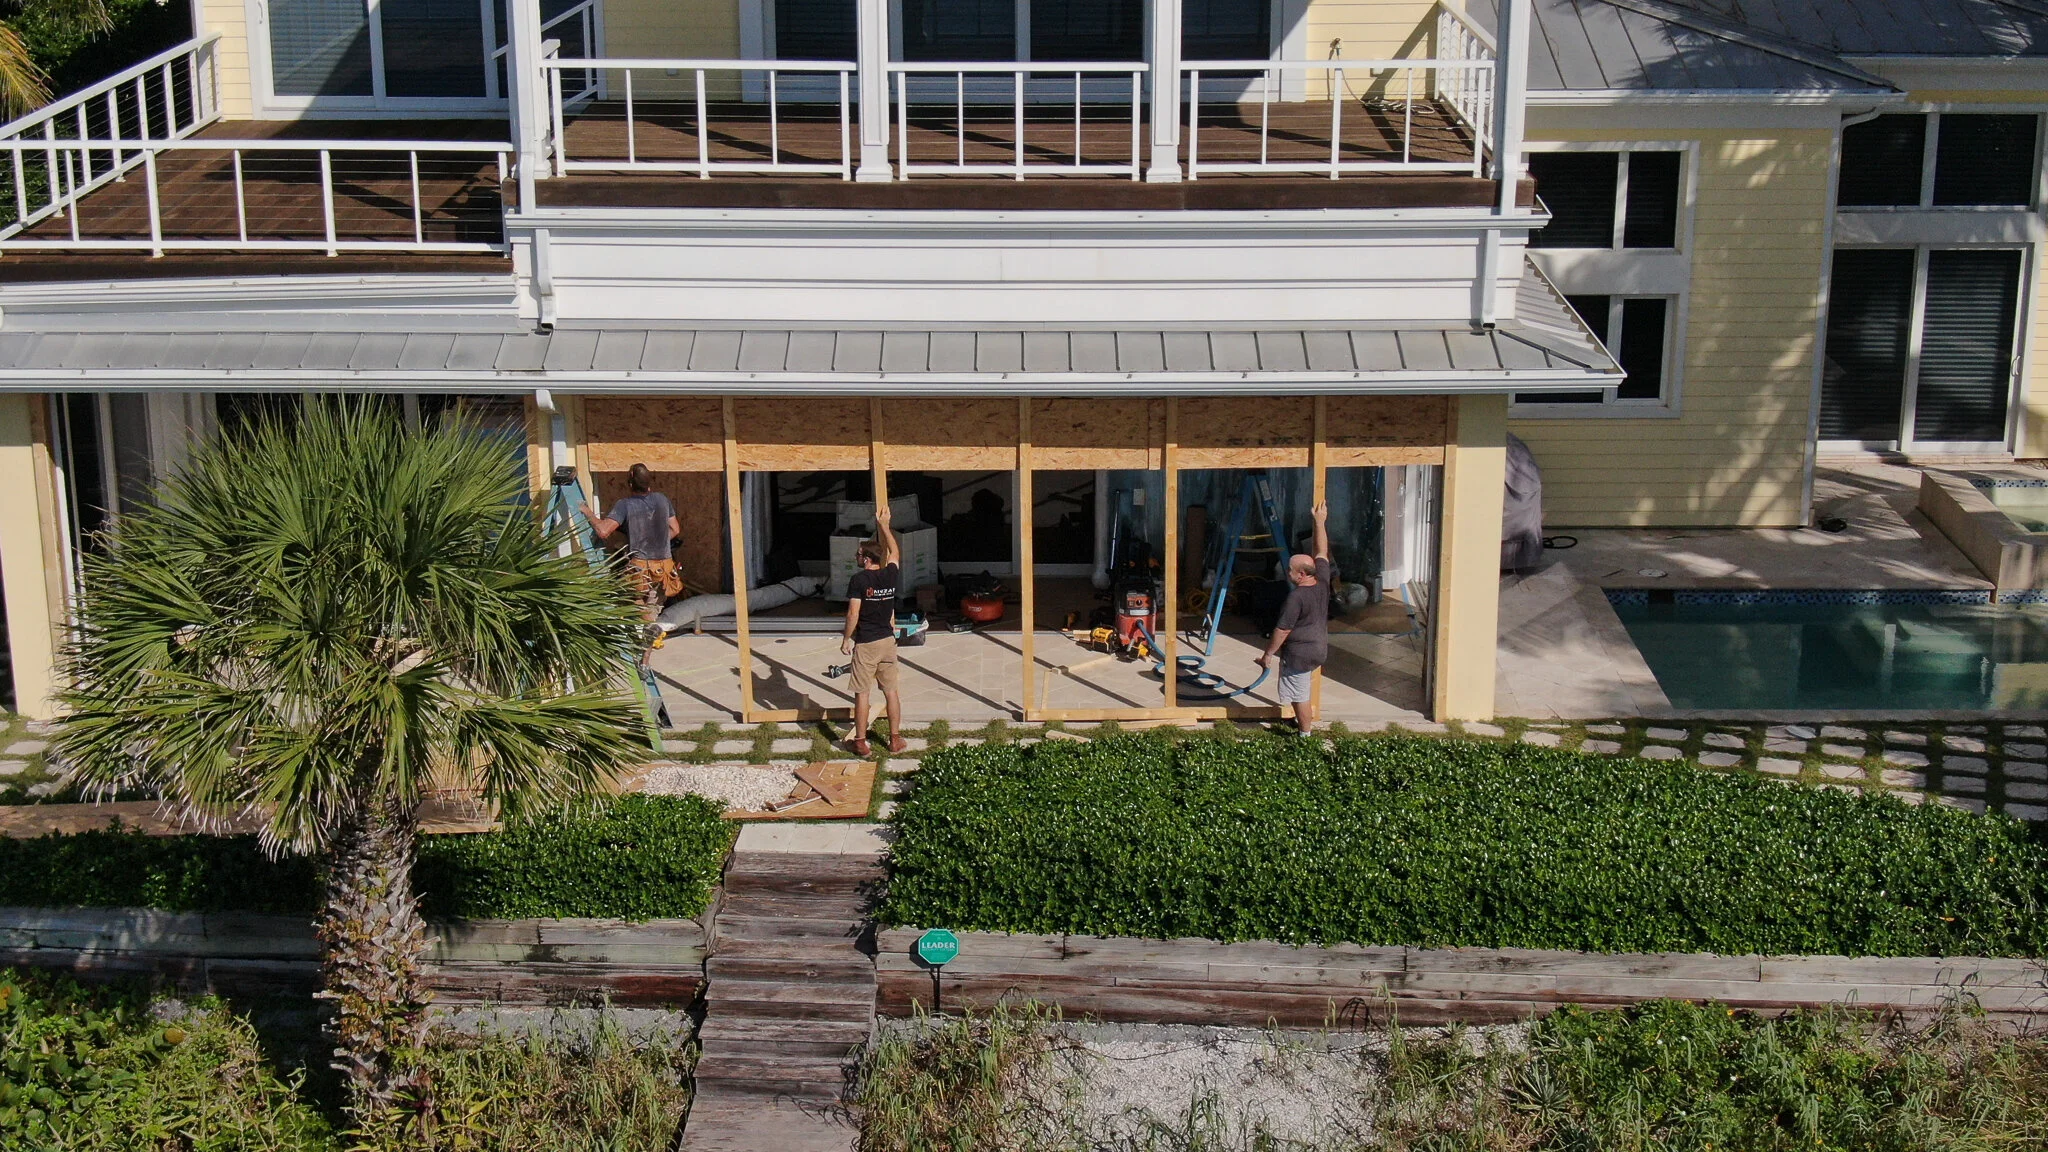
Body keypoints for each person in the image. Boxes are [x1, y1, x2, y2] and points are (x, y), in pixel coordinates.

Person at [1255, 502, 1331, 735]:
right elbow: (1321, 551)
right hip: (1319, 648)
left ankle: (1305, 735)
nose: (1287, 573)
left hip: (1300, 653)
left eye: (1289, 570)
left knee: (1300, 696)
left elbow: (1282, 630)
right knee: (1300, 690)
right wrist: (1319, 521)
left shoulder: (1296, 598)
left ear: (1301, 574)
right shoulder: (1322, 579)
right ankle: (1301, 724)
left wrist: (1268, 655)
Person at [841, 502, 906, 756]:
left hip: (867, 642)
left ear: (867, 559)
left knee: (862, 692)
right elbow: (895, 554)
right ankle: (895, 740)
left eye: (858, 555)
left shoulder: (859, 580)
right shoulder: (890, 575)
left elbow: (853, 613)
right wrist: (885, 527)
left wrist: (846, 639)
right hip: (888, 642)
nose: (856, 558)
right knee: (891, 691)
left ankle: (860, 741)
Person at [587, 463, 681, 625]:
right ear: (649, 483)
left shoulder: (625, 505)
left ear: (630, 484)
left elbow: (603, 531)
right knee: (651, 611)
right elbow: (675, 529)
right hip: (663, 570)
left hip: (641, 572)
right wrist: (657, 542)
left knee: (635, 604)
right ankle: (647, 636)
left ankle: (646, 634)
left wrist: (587, 512)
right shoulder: (662, 499)